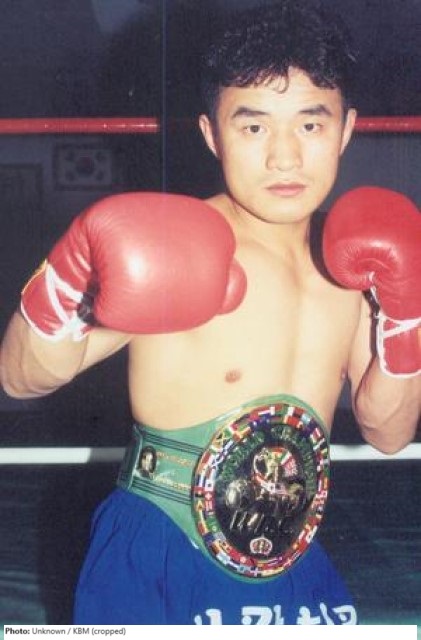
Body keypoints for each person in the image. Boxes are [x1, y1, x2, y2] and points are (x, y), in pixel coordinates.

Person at [1, 0, 420, 626]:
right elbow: (21, 378)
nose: (284, 158)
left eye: (310, 124)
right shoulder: (178, 244)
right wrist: (66, 279)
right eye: (253, 127)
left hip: (293, 562)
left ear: (346, 128)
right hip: (159, 549)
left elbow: (389, 432)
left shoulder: (353, 264)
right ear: (211, 134)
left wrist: (407, 315)